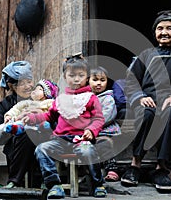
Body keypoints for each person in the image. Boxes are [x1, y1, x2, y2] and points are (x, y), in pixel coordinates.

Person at [120, 10, 171, 193]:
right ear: (155, 32)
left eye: (169, 28)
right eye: (160, 28)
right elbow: (130, 79)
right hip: (148, 99)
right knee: (146, 114)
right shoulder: (145, 54)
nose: (164, 32)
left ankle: (161, 167)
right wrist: (140, 97)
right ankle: (135, 165)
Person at [21, 54, 107, 198]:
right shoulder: (60, 99)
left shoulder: (90, 98)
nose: (76, 79)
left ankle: (98, 184)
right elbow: (48, 116)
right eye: (72, 75)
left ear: (86, 77)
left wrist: (91, 131)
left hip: (80, 140)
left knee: (89, 151)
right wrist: (32, 118)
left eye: (81, 75)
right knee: (41, 149)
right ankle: (54, 185)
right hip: (59, 140)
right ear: (65, 77)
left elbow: (98, 118)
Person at [0, 60, 36, 188]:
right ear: (12, 87)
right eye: (22, 83)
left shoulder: (38, 97)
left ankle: (14, 181)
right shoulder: (6, 104)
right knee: (22, 136)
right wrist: (9, 127)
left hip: (39, 141)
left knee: (28, 134)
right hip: (15, 147)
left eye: (29, 81)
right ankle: (15, 182)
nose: (28, 86)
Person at [89, 66, 121, 182]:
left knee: (104, 143)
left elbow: (107, 116)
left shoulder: (108, 98)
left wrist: (91, 124)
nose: (99, 83)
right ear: (88, 80)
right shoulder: (85, 97)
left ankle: (112, 169)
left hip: (104, 129)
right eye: (95, 79)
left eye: (102, 80)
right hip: (88, 131)